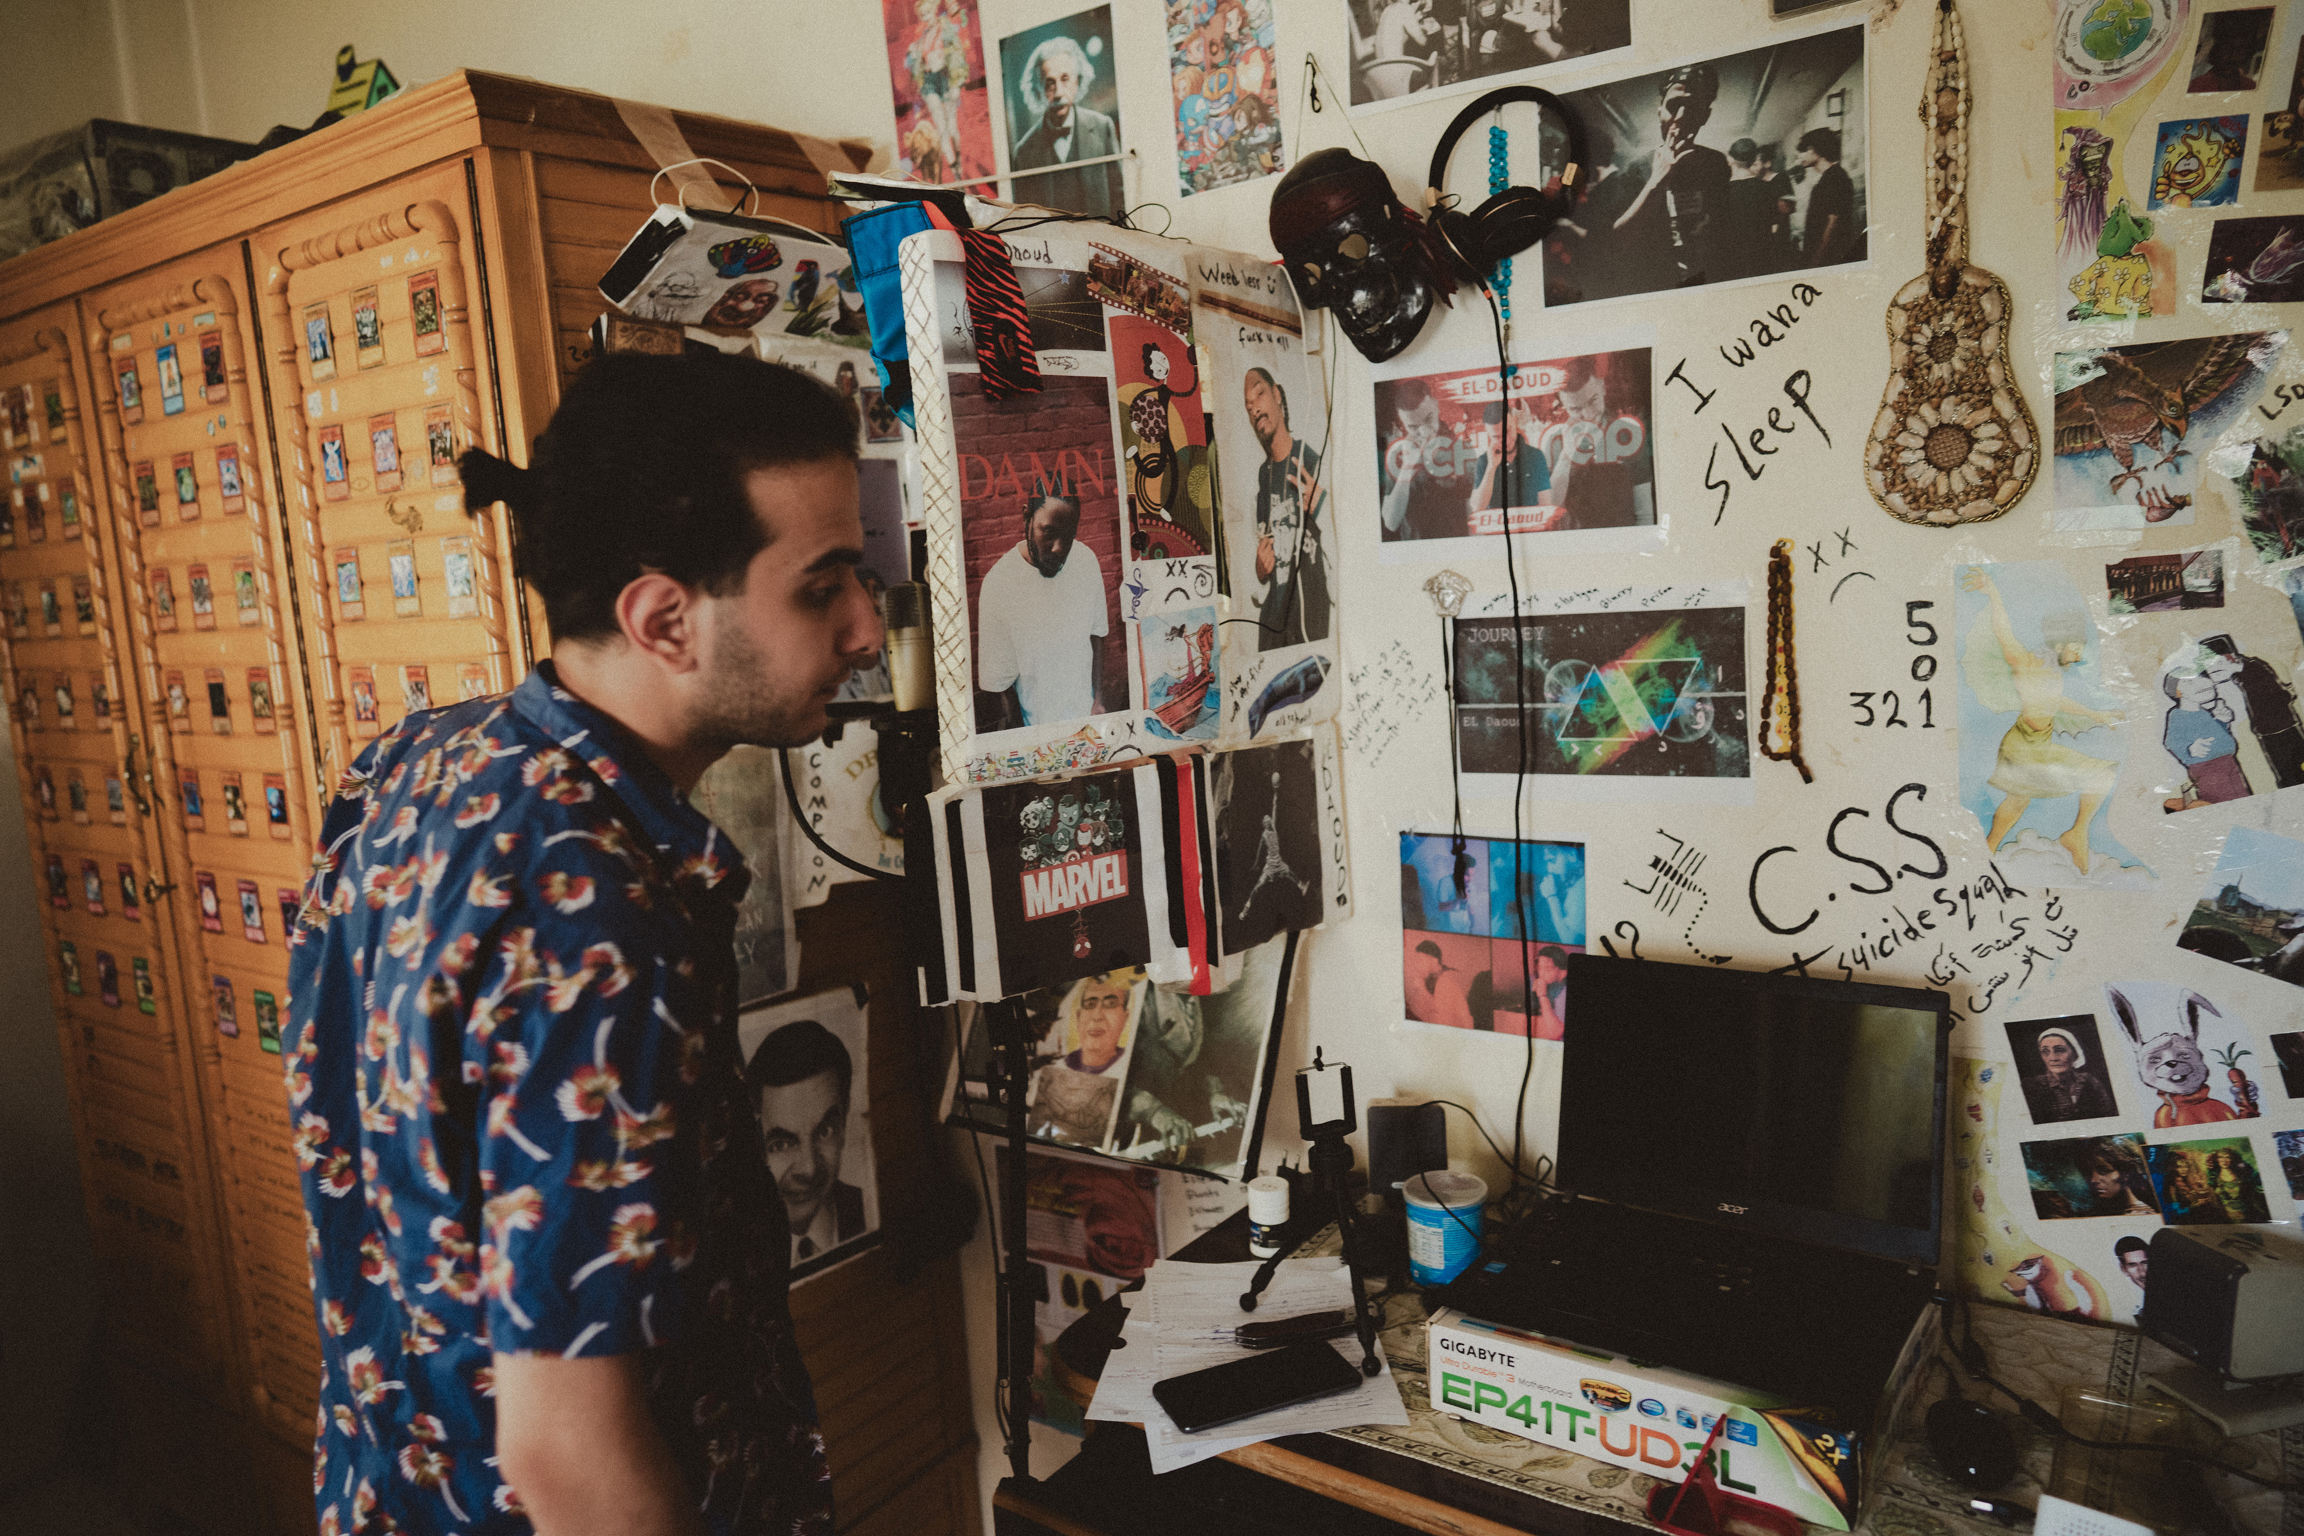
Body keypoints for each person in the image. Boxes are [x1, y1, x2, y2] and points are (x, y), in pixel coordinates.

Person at [284, 351, 880, 1536]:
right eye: (823, 589)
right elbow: (568, 1451)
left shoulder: (425, 757)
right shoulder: (598, 923)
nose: (866, 627)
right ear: (663, 621)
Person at [1961, 569, 2124, 873]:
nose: (2077, 657)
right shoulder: (2027, 662)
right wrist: (1993, 594)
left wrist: (2095, 714)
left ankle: (1994, 849)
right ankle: (2073, 834)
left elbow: (2054, 702)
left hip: (2040, 742)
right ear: (2060, 645)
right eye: (2075, 649)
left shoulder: (2053, 671)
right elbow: (2004, 634)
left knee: (2018, 801)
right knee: (2096, 775)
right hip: (2023, 745)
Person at [974, 479, 1108, 729]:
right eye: (1048, 532)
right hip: (1037, 728)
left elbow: (1097, 633)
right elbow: (998, 684)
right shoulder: (999, 583)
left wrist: (1098, 701)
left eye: (1068, 537)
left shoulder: (1086, 560)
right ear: (1027, 517)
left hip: (1089, 722)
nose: (1058, 549)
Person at [748, 1020, 869, 1263]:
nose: (810, 1169)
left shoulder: (872, 1211)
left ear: (844, 1123)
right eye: (782, 1144)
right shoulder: (737, 1247)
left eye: (825, 1132)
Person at [1611, 64, 1730, 293]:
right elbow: (1617, 239)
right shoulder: (1638, 168)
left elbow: (1723, 231)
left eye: (1693, 107)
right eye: (1673, 106)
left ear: (1705, 116)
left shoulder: (1715, 164)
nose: (1681, 117)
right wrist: (1656, 181)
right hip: (1656, 285)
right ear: (1660, 112)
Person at [1244, 367, 1332, 648]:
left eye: (1259, 395)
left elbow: (1345, 550)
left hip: (1311, 630)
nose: (1255, 409)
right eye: (1248, 407)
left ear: (1277, 394)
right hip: (1272, 634)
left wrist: (1323, 510)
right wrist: (1260, 571)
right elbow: (1264, 565)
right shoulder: (1262, 477)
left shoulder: (1312, 460)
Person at [1011, 33, 1123, 217]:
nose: (1058, 93)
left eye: (1065, 79)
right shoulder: (1023, 152)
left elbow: (1120, 199)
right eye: (1049, 83)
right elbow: (1024, 219)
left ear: (1076, 81)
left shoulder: (1102, 127)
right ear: (1037, 89)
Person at [1540, 354, 1652, 528]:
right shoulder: (1554, 441)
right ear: (1562, 405)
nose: (1588, 415)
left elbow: (1645, 514)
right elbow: (1548, 511)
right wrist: (1566, 456)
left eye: (1593, 401)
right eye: (1575, 409)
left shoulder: (1628, 435)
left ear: (1602, 387)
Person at [1380, 379, 1480, 541]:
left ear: (1436, 405)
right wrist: (1406, 469)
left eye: (1428, 419)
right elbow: (1391, 522)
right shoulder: (1397, 456)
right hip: (1416, 551)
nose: (1425, 431)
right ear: (1403, 422)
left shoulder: (1461, 448)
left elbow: (1474, 513)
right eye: (1413, 427)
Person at [2160, 662, 2249, 809]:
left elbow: (2213, 734)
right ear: (2178, 692)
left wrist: (2222, 721)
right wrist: (2189, 749)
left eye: (2201, 678)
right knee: (2222, 803)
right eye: (2189, 682)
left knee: (2241, 797)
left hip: (2228, 762)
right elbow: (2171, 742)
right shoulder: (2177, 715)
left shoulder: (2203, 712)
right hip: (2207, 768)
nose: (2201, 683)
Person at [2018, 1025, 2117, 1121]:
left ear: (2075, 1054)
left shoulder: (2090, 1081)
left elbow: (2109, 1115)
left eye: (2060, 1050)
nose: (2053, 1058)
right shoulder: (2032, 1086)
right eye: (2045, 1051)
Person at [1722, 138, 1787, 279]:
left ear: (1730, 159)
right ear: (1753, 160)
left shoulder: (1722, 192)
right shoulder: (1767, 188)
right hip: (1762, 255)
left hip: (1734, 258)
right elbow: (1775, 224)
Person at [1796, 127, 1859, 267]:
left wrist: (1818, 257)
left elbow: (1833, 222)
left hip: (1828, 257)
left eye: (1803, 151)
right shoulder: (1830, 176)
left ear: (1813, 149)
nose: (1800, 157)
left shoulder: (1835, 177)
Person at [1061, 973, 1133, 1075]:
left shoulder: (1131, 1066)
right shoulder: (1061, 1061)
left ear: (1125, 1017)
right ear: (1078, 1017)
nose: (1097, 1016)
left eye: (1111, 1003)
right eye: (1090, 1004)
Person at [2114, 1234, 2149, 1314]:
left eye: (2145, 1263)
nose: (2142, 1273)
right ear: (2124, 1269)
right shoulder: (2124, 1307)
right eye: (2133, 1265)